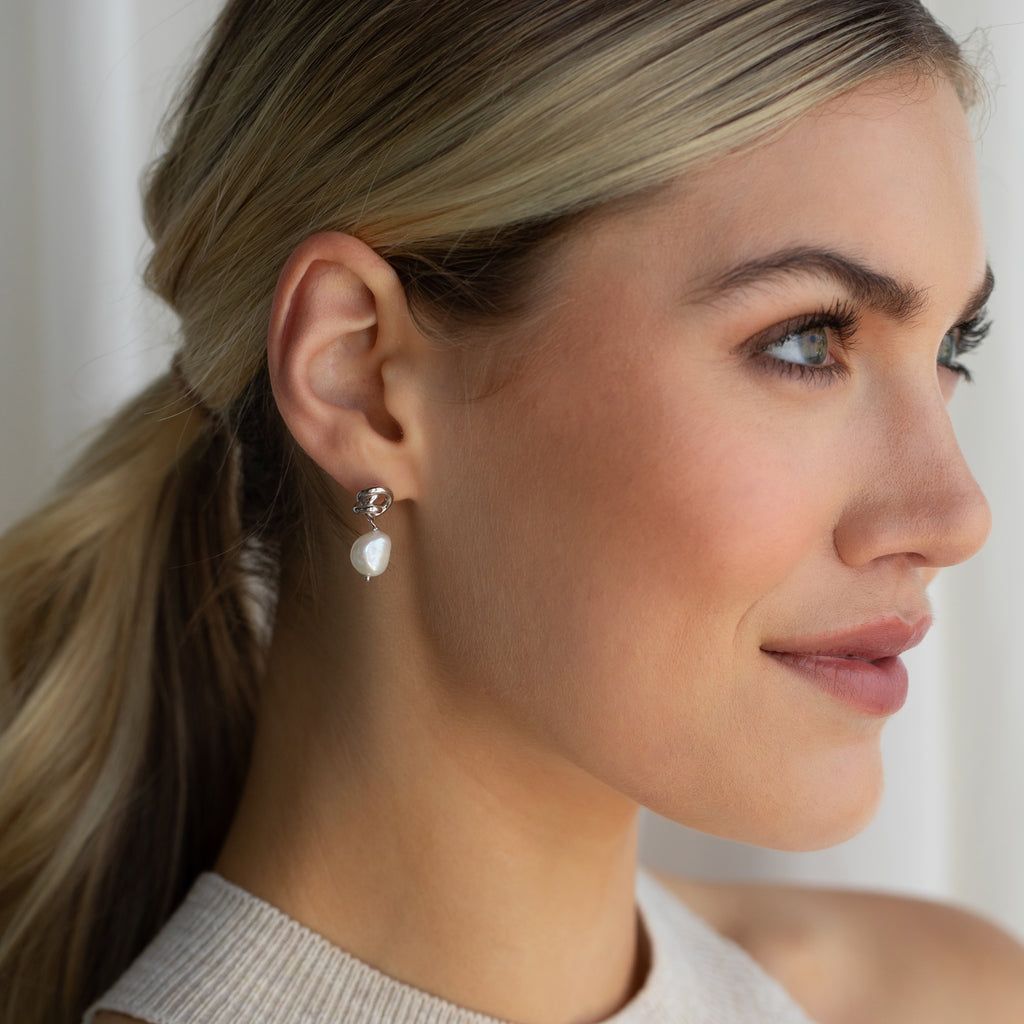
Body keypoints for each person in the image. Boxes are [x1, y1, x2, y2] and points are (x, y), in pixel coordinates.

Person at [2, 0, 1023, 1021]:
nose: (955, 513)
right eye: (807, 340)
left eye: (948, 352)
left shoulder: (950, 998)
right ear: (358, 376)